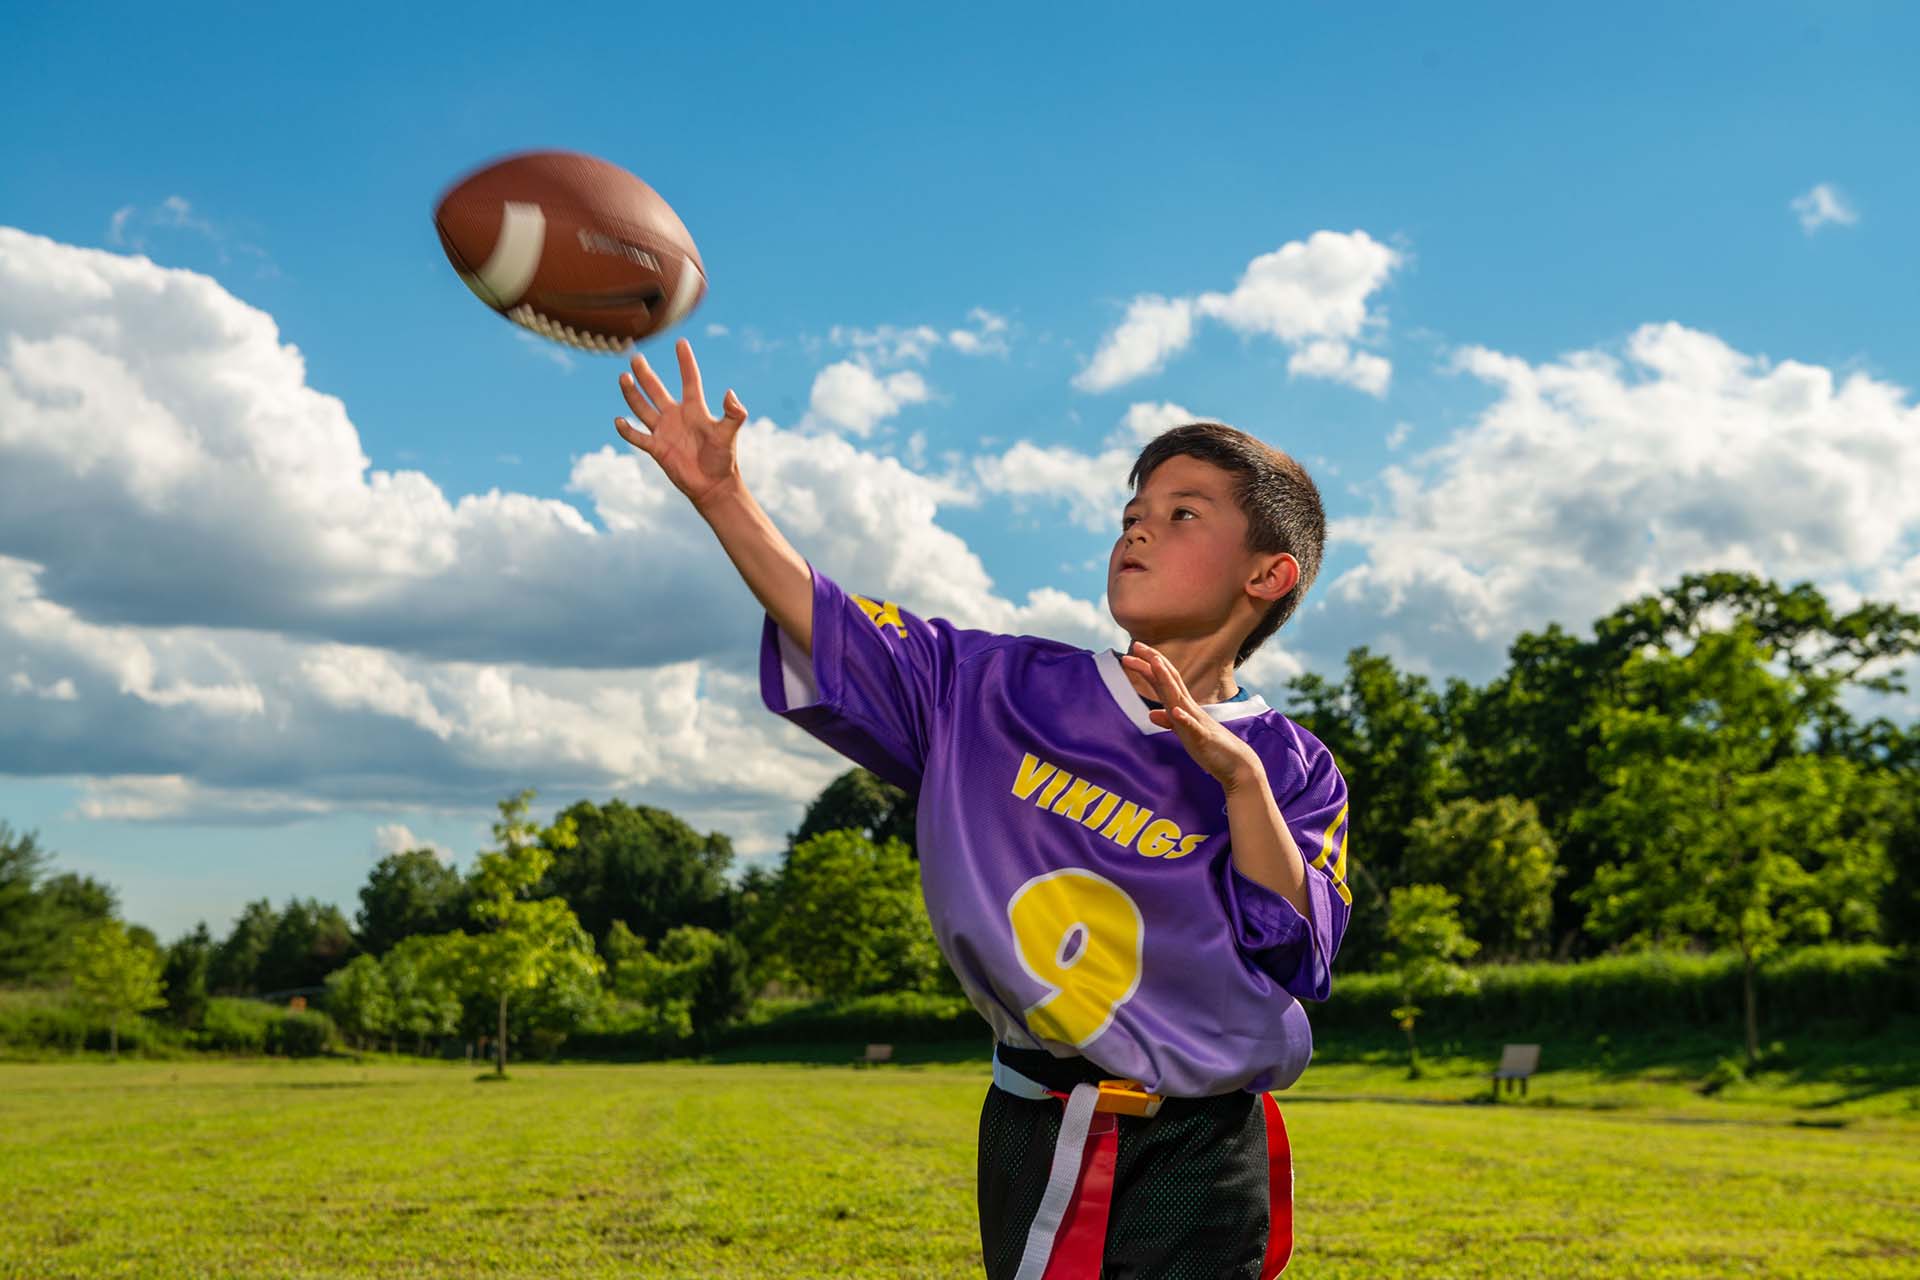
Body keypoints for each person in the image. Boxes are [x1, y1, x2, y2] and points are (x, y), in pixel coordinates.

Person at [614, 339, 1351, 1279]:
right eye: (1132, 513)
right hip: (1045, 1124)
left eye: (1182, 514)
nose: (1139, 531)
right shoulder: (990, 687)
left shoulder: (1291, 767)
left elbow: (1301, 952)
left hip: (1210, 1148)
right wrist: (721, 495)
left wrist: (1239, 782)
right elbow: (830, 621)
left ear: (1267, 576)